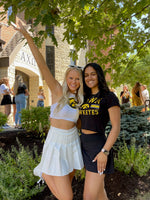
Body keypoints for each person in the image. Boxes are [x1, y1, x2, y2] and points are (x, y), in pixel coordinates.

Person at [13, 21, 84, 200]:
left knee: (67, 188)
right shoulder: (57, 90)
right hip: (56, 142)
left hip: (72, 142)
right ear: (66, 78)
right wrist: (27, 36)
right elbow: (42, 64)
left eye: (77, 79)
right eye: (71, 78)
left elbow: (81, 123)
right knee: (67, 197)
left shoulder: (82, 99)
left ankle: (45, 174)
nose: (74, 82)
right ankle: (45, 173)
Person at [79, 63, 120, 200]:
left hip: (98, 149)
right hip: (84, 146)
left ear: (99, 75)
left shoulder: (109, 97)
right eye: (86, 75)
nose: (89, 78)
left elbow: (116, 127)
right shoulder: (84, 97)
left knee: (89, 197)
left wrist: (105, 151)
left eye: (92, 74)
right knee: (100, 194)